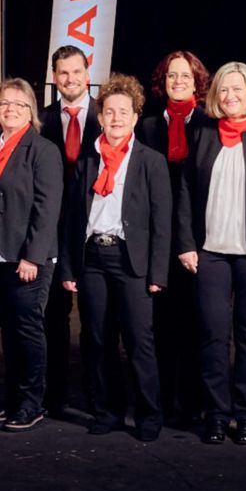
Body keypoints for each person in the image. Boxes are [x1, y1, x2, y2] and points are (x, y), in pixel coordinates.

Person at [172, 61, 246, 446]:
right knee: (212, 336)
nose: (230, 96)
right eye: (223, 89)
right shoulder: (202, 132)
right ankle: (217, 417)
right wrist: (186, 243)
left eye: (237, 89)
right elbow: (185, 191)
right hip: (210, 253)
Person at [59, 74, 172, 442]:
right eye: (110, 112)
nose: (117, 118)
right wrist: (69, 265)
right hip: (92, 256)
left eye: (124, 112)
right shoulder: (87, 159)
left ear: (135, 117)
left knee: (139, 341)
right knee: (97, 338)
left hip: (131, 261)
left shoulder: (151, 161)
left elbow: (162, 222)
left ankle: (149, 416)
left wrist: (157, 273)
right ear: (101, 116)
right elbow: (73, 217)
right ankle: (107, 411)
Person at [0, 77, 61, 431]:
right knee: (8, 332)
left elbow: (47, 208)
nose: (10, 109)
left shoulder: (42, 150)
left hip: (27, 260)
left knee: (27, 331)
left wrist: (32, 257)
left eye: (18, 104)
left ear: (31, 111)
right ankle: (12, 401)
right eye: (4, 103)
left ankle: (31, 403)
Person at [140, 50, 213, 426]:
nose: (178, 81)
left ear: (197, 82)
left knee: (197, 322)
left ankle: (193, 403)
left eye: (185, 76)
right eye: (171, 76)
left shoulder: (210, 124)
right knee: (162, 324)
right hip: (157, 238)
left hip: (198, 238)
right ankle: (163, 401)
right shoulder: (148, 125)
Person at [39, 44, 99, 419]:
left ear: (88, 75)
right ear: (54, 77)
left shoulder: (110, 114)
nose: (70, 79)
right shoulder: (42, 119)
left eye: (76, 71)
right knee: (53, 317)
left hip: (95, 229)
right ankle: (55, 394)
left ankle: (97, 396)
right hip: (54, 230)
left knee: (96, 318)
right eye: (63, 72)